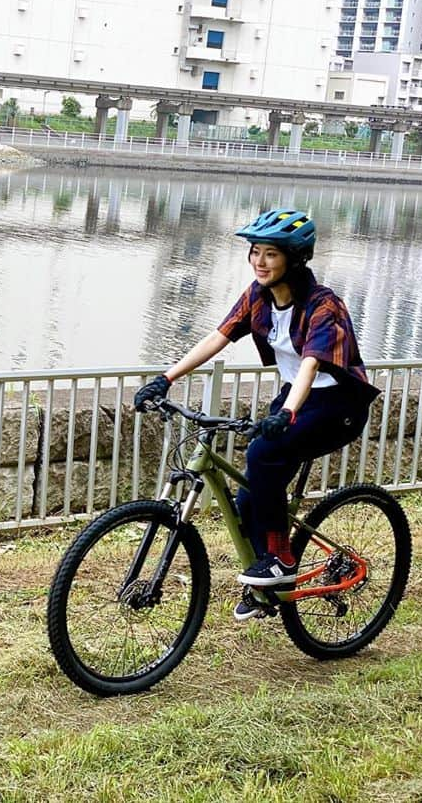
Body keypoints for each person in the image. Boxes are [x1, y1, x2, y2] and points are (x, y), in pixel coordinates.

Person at [133, 208, 380, 621]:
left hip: (337, 405)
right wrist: (166, 378)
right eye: (255, 252)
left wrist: (286, 412)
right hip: (294, 398)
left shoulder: (324, 305)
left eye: (271, 254)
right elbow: (219, 335)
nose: (260, 262)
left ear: (295, 259)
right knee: (250, 492)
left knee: (264, 454)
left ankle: (281, 561)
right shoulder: (257, 296)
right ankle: (267, 584)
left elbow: (311, 364)